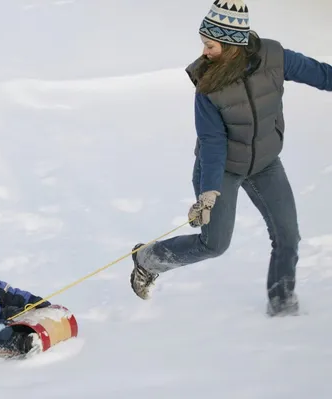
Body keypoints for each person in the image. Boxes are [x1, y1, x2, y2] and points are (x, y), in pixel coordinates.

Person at [129, 0, 332, 316]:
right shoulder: (208, 86)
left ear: (234, 43)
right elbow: (212, 143)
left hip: (264, 163)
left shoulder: (274, 56)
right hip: (221, 168)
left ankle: (282, 308)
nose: (205, 52)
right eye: (204, 45)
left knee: (288, 236)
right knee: (214, 245)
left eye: (210, 45)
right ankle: (148, 259)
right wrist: (208, 192)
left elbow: (321, 74)